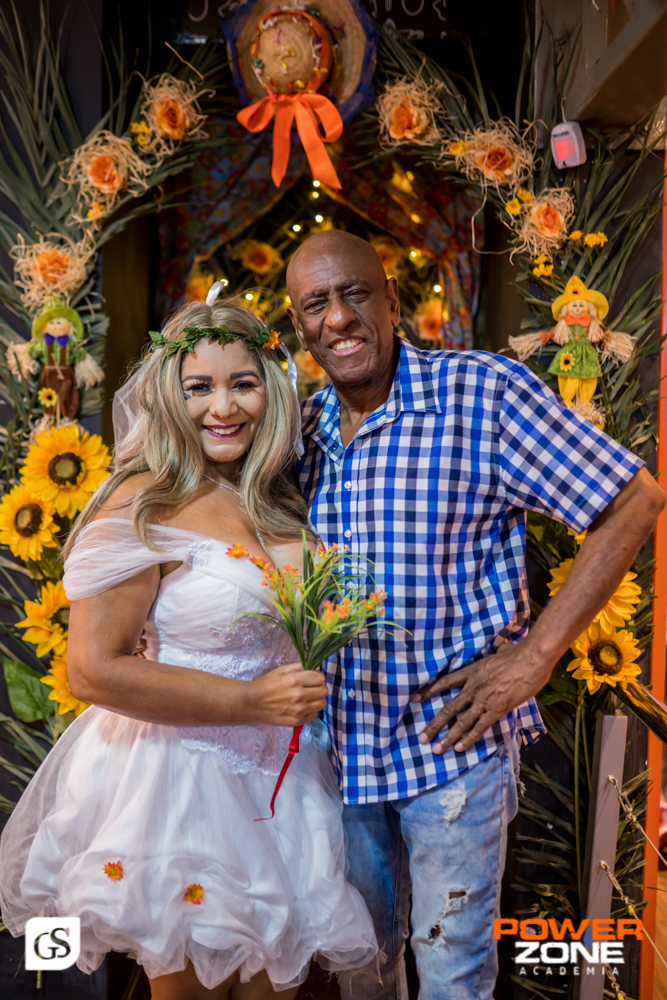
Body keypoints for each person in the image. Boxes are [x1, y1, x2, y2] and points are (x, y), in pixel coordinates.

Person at [285, 230, 665, 1000]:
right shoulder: (295, 432)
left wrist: (536, 656)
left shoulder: (480, 394)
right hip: (337, 756)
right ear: (298, 324)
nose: (339, 318)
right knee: (361, 975)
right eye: (315, 304)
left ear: (393, 301)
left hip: (449, 755)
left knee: (452, 981)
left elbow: (633, 500)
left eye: (354, 294)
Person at [0, 296, 377, 1000]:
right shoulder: (143, 502)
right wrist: (250, 699)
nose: (222, 407)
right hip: (180, 779)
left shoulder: (279, 503)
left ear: (272, 390)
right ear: (168, 395)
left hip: (285, 781)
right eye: (198, 386)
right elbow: (92, 671)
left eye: (243, 383)